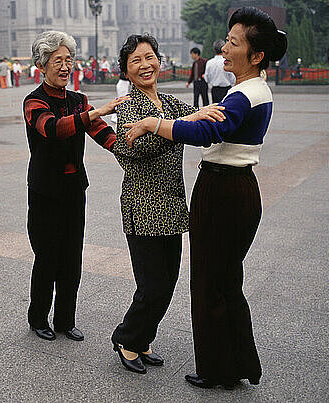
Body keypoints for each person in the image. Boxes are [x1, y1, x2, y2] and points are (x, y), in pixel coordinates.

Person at [124, 7, 287, 388]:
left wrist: (152, 123)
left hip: (224, 191)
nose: (224, 48)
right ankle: (238, 364)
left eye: (233, 42)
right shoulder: (251, 89)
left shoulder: (244, 94)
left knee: (211, 282)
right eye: (227, 41)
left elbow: (205, 133)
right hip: (233, 189)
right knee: (226, 280)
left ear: (256, 55)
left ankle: (220, 371)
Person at [110, 34, 224, 375]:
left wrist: (198, 117)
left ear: (159, 60)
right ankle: (127, 338)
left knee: (168, 282)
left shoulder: (172, 104)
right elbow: (135, 150)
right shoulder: (128, 106)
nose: (145, 65)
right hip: (142, 207)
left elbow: (198, 123)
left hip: (172, 205)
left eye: (149, 57)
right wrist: (169, 127)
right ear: (127, 72)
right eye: (136, 62)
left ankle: (143, 338)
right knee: (151, 285)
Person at [23, 31, 128, 342]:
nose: (65, 66)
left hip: (73, 189)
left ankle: (65, 320)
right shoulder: (34, 102)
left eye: (69, 60)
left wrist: (124, 147)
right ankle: (38, 318)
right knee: (46, 256)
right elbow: (53, 128)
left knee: (72, 255)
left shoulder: (78, 100)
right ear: (42, 65)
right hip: (45, 191)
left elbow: (98, 130)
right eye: (58, 61)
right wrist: (96, 112)